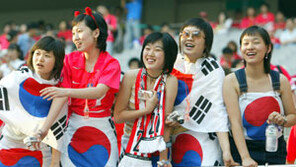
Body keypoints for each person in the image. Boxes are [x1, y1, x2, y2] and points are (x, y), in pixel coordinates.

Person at [38, 7, 121, 167]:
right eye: (73, 33)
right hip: (72, 127)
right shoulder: (69, 60)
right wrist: (44, 129)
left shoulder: (112, 63)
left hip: (102, 128)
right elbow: (60, 97)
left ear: (96, 33)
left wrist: (65, 91)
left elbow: (99, 92)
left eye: (79, 32)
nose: (75, 38)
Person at [223, 26, 296, 166]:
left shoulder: (280, 80)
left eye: (256, 42)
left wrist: (282, 120)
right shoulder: (231, 81)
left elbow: (293, 116)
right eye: (245, 43)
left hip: (275, 150)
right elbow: (235, 123)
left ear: (268, 48)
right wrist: (245, 158)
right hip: (242, 149)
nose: (250, 47)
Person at [170, 18, 237, 167]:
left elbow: (217, 112)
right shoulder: (170, 64)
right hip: (171, 139)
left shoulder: (213, 69)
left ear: (206, 42)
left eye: (196, 35)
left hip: (203, 139)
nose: (189, 38)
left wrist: (226, 152)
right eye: (185, 34)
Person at [114, 32, 178, 167]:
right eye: (147, 48)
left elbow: (165, 122)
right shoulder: (130, 76)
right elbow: (118, 117)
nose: (150, 53)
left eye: (157, 50)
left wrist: (163, 159)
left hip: (157, 147)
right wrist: (146, 110)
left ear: (168, 54)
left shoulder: (171, 81)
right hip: (130, 145)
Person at [0, 36, 65, 167]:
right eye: (37, 53)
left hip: (38, 152)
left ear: (57, 61)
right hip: (8, 145)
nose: (40, 59)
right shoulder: (18, 77)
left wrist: (55, 162)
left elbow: (59, 130)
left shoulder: (59, 89)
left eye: (47, 55)